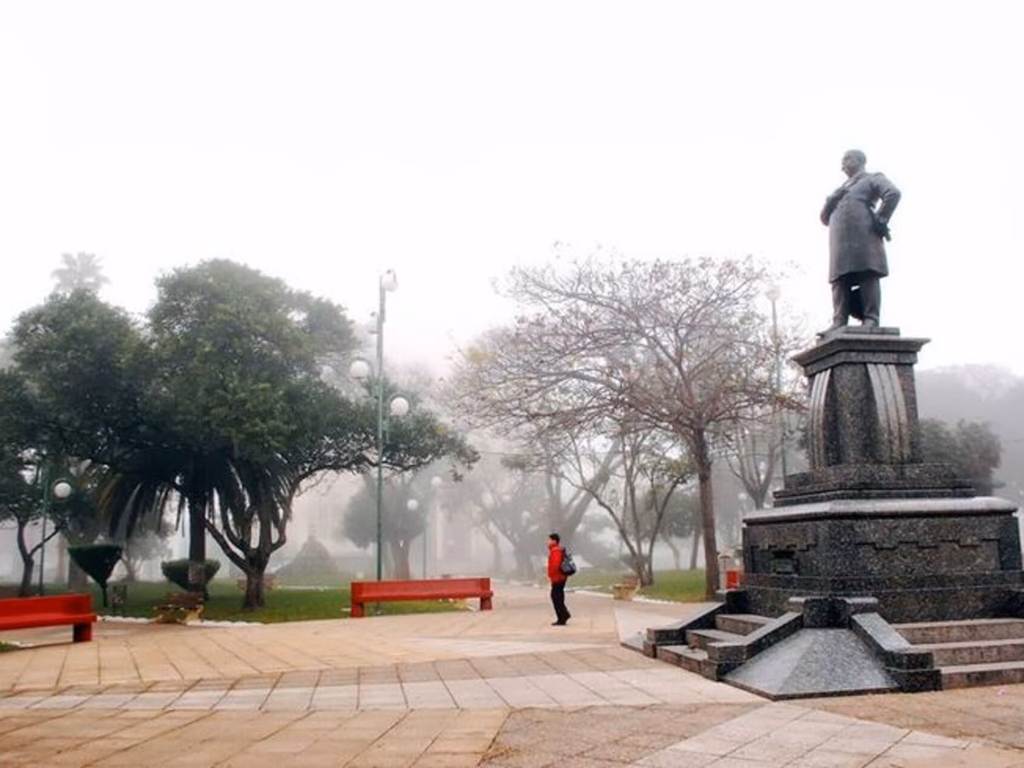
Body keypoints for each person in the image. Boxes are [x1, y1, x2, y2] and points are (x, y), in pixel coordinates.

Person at [819, 149, 901, 332]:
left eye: (847, 158)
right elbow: (824, 218)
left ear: (860, 161)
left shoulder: (871, 178)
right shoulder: (838, 190)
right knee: (839, 279)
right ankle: (839, 320)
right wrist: (831, 200)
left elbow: (893, 193)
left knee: (867, 274)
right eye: (842, 159)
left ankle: (871, 318)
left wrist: (881, 218)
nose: (843, 163)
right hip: (839, 240)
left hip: (863, 234)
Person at [547, 532, 571, 626]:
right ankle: (563, 615)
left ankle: (562, 616)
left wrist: (552, 575)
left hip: (558, 578)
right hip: (559, 577)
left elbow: (556, 565)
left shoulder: (555, 551)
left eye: (549, 540)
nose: (547, 542)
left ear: (554, 540)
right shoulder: (556, 549)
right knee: (558, 597)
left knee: (556, 597)